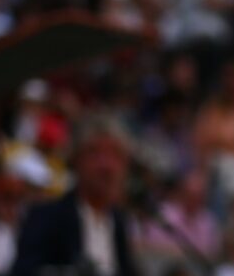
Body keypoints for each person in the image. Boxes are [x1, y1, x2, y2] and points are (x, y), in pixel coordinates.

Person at [10, 114, 138, 276]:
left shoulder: (119, 223)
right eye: (95, 153)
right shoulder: (46, 218)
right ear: (76, 160)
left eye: (116, 155)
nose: (107, 166)